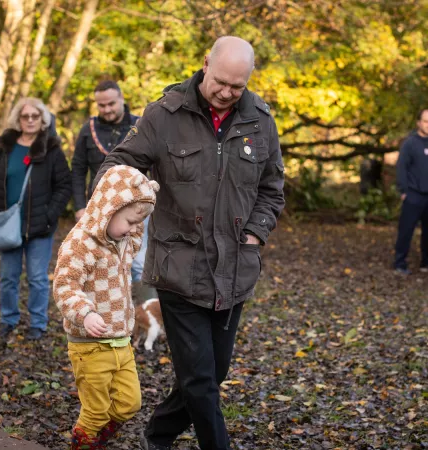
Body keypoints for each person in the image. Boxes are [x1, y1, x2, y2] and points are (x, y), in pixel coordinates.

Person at [92, 36, 285, 450]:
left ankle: (158, 434)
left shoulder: (260, 121)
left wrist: (254, 234)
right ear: (204, 65)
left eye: (238, 86)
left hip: (234, 269)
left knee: (212, 373)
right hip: (178, 267)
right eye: (221, 82)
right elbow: (117, 165)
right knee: (199, 379)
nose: (228, 93)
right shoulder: (164, 114)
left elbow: (272, 188)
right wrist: (114, 212)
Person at [53, 165, 159, 449]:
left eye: (140, 223)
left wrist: (143, 203)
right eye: (131, 221)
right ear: (108, 209)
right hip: (91, 345)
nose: (136, 230)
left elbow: (135, 236)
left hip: (121, 343)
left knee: (129, 403)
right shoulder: (79, 245)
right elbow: (65, 286)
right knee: (95, 411)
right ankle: (84, 443)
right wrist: (85, 313)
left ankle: (97, 438)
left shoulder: (121, 240)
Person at [0, 97, 71, 340]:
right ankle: (8, 320)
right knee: (8, 278)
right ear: (18, 119)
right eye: (26, 116)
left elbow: (63, 185)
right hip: (8, 224)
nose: (31, 120)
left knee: (37, 278)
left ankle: (37, 324)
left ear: (43, 120)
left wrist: (49, 215)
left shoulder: (52, 148)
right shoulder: (5, 147)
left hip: (39, 226)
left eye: (36, 116)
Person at [71, 80, 141, 221]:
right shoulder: (88, 130)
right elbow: (78, 170)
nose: (107, 110)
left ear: (121, 98)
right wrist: (79, 207)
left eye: (111, 104)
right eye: (101, 106)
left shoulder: (140, 125)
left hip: (135, 208)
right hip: (98, 208)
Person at [393, 109, 428, 274]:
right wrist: (403, 191)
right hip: (414, 194)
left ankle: (426, 261)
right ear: (418, 123)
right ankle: (399, 263)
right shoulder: (410, 143)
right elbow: (401, 167)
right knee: (406, 229)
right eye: (426, 121)